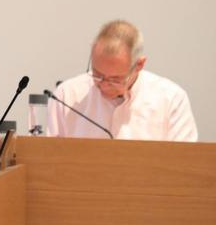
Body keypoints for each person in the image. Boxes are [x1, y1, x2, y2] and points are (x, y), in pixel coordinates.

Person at [47, 19, 198, 141]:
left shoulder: (171, 99)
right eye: (97, 75)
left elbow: (183, 166)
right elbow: (49, 161)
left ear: (139, 65)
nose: (105, 85)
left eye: (115, 79)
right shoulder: (67, 96)